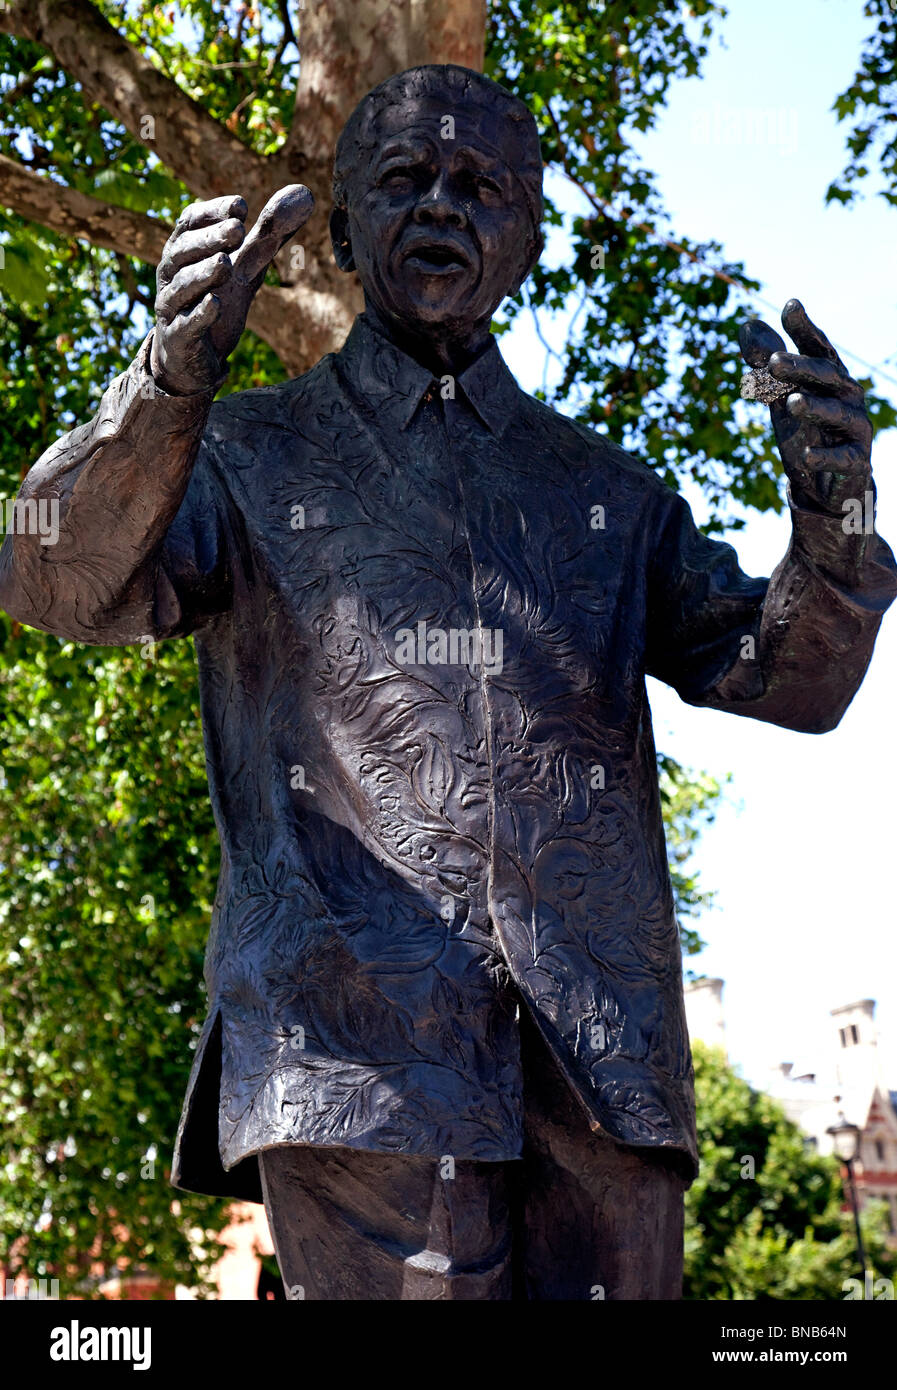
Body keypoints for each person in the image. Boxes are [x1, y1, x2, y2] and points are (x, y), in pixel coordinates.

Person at [1, 64, 894, 1300]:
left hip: (603, 1070)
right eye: (406, 179)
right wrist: (165, 385)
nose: (442, 207)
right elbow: (46, 572)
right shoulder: (244, 454)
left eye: (481, 186)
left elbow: (787, 679)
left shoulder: (610, 498)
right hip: (350, 1051)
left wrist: (837, 526)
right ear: (347, 221)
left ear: (529, 234)